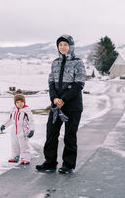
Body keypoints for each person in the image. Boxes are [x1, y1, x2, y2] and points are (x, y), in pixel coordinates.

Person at [36, 34, 86, 174]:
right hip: (56, 105)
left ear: (71, 46)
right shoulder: (55, 63)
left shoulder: (78, 62)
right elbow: (51, 83)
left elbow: (79, 83)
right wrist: (54, 99)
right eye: (60, 45)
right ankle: (50, 163)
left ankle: (68, 165)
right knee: (51, 133)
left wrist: (63, 98)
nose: (63, 47)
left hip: (73, 105)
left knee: (70, 135)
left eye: (65, 44)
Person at [0, 93, 35, 165]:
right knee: (14, 145)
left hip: (23, 131)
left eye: (21, 102)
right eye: (17, 102)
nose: (19, 104)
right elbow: (10, 119)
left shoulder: (26, 111)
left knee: (24, 145)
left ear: (24, 102)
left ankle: (25, 158)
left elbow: (31, 121)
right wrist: (4, 125)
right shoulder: (13, 110)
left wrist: (32, 130)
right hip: (14, 131)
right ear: (15, 103)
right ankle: (15, 157)